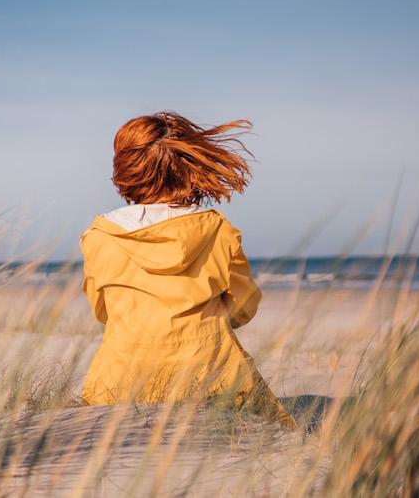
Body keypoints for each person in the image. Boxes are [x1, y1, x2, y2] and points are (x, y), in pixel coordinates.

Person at [79, 111, 293, 426]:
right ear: (186, 167)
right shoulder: (217, 230)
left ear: (124, 168)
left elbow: (103, 312)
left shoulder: (99, 237)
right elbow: (244, 309)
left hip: (120, 384)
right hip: (213, 376)